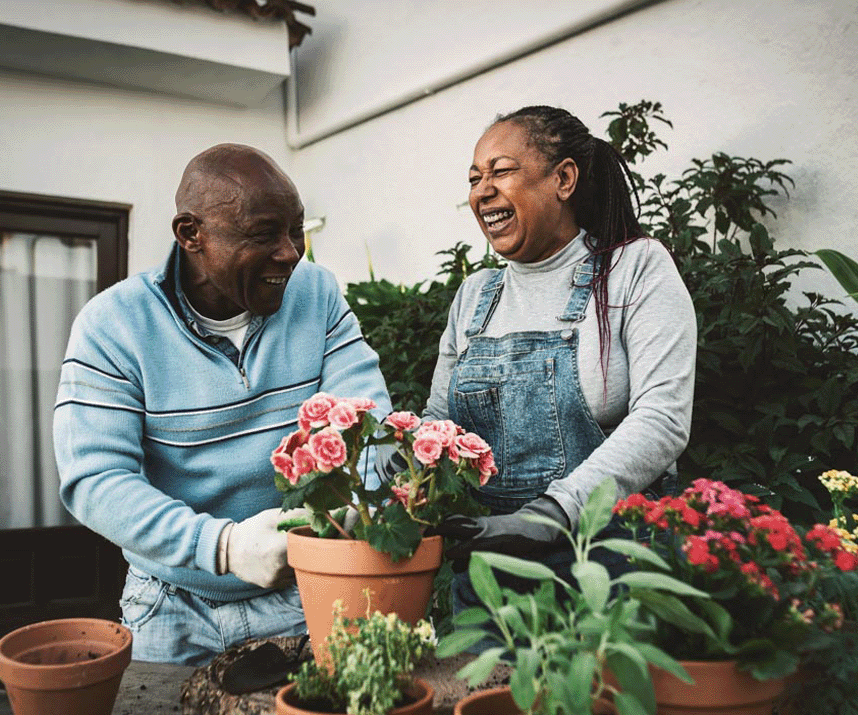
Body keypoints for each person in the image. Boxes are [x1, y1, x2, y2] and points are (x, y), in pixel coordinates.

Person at [52, 144, 391, 665]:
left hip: (301, 591)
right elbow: (95, 481)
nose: (290, 252)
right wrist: (223, 547)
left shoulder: (317, 295)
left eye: (296, 230)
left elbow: (367, 426)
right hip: (169, 605)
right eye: (264, 235)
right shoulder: (113, 325)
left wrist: (348, 511)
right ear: (191, 235)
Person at [429, 105, 696, 603]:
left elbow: (663, 418)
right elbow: (437, 426)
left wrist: (553, 513)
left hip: (615, 560)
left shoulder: (633, 268)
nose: (482, 190)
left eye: (501, 171)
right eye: (473, 178)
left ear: (564, 179)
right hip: (491, 571)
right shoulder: (474, 296)